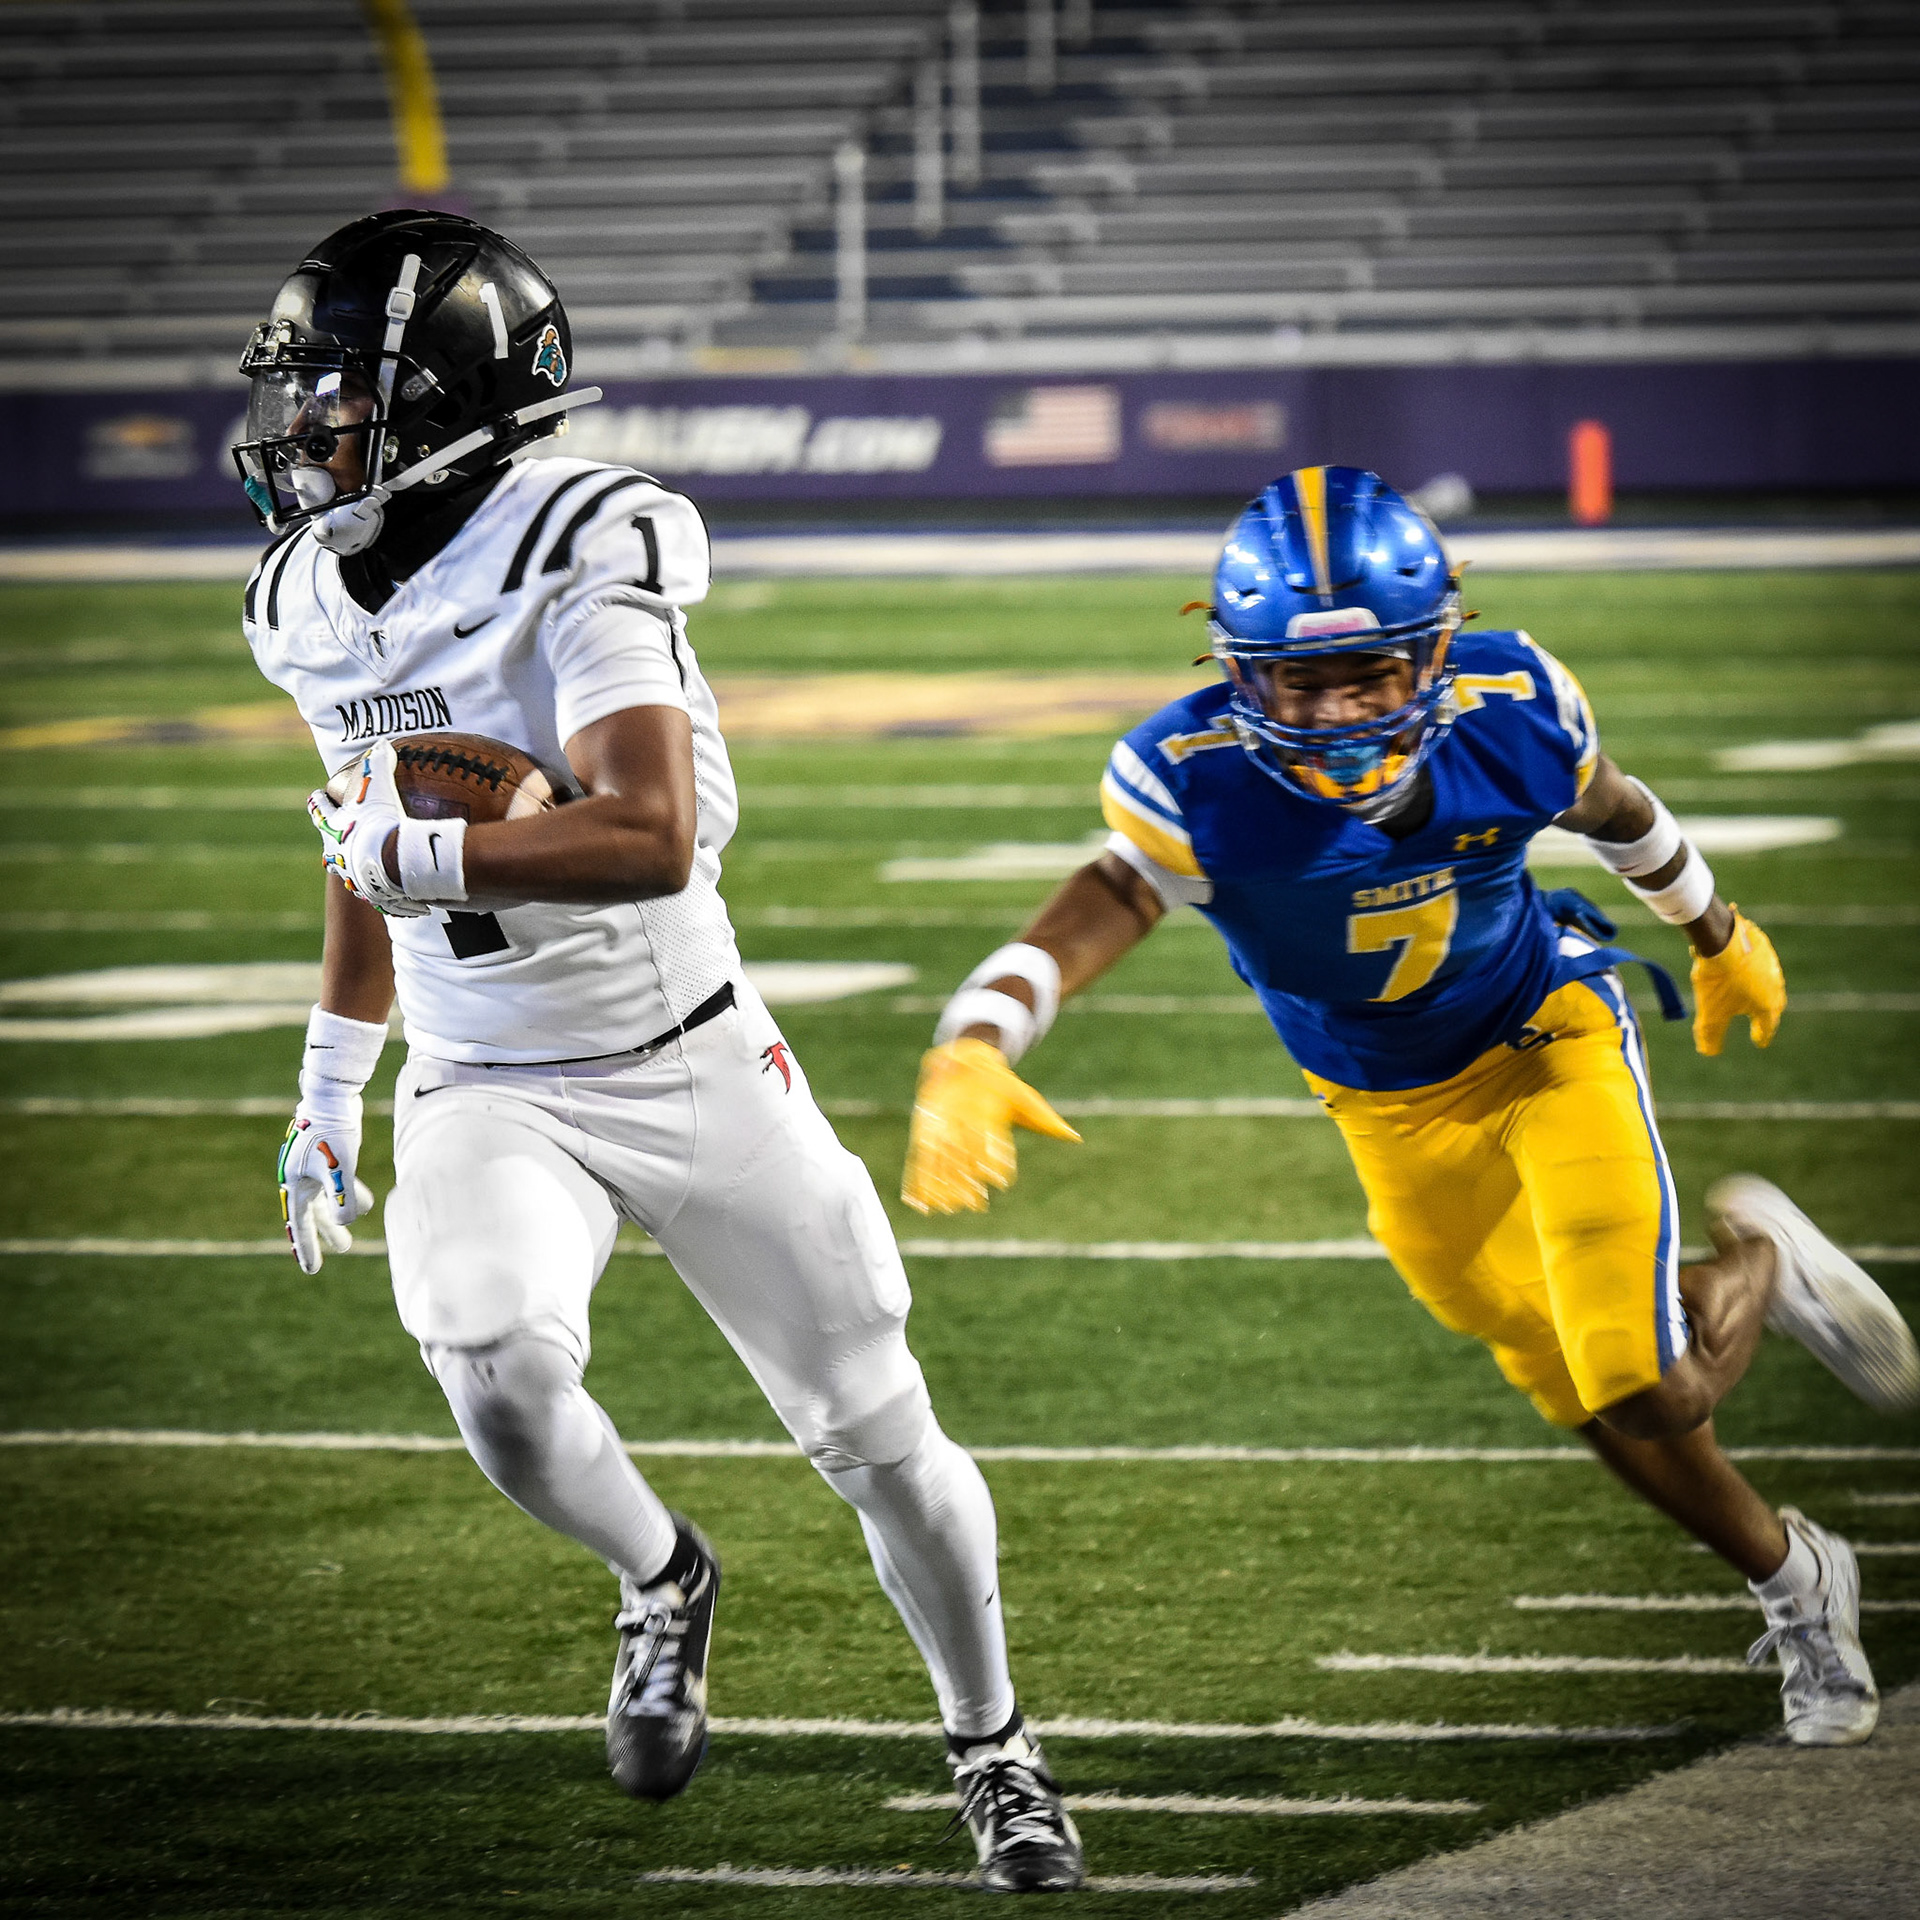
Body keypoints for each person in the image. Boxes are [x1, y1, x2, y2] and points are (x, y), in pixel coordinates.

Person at [236, 209, 1082, 1891]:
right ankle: (663, 1575)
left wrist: (423, 853)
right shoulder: (302, 595)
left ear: (446, 403)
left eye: (340, 391)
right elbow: (361, 837)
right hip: (482, 1076)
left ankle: (994, 1744)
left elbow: (649, 831)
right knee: (490, 1363)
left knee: (877, 1435)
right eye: (304, 390)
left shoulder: (585, 537)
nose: (308, 426)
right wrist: (331, 1084)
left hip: (685, 1052)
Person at [903, 465, 1920, 1749]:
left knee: (1644, 1385)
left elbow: (1618, 810)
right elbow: (1094, 907)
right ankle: (1798, 1579)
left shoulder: (1515, 707)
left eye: (1370, 675)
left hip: (1545, 1040)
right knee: (1579, 1393)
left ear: (1436, 652)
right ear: (1237, 670)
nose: (1335, 712)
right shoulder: (1192, 779)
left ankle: (1757, 1261)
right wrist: (973, 1045)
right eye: (1298, 681)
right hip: (1383, 1109)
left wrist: (1715, 931)